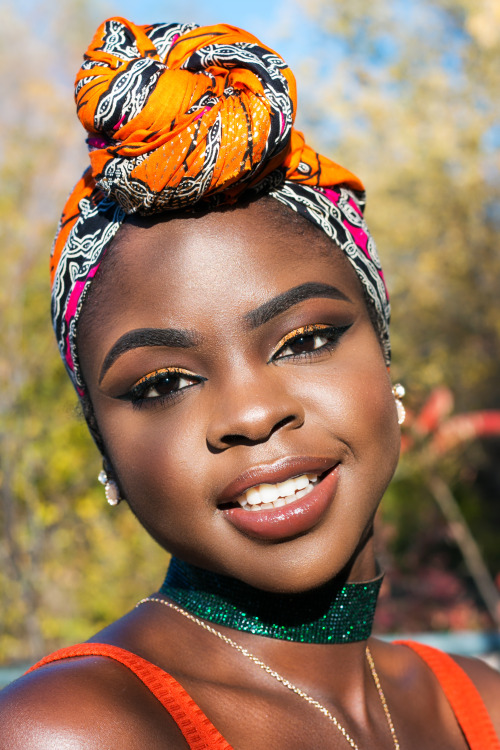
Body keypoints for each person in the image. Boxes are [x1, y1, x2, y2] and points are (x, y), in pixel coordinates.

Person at [1, 16, 499, 750]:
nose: (253, 412)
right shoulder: (76, 730)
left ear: (385, 356)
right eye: (163, 383)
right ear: (106, 448)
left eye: (305, 341)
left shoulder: (481, 705)